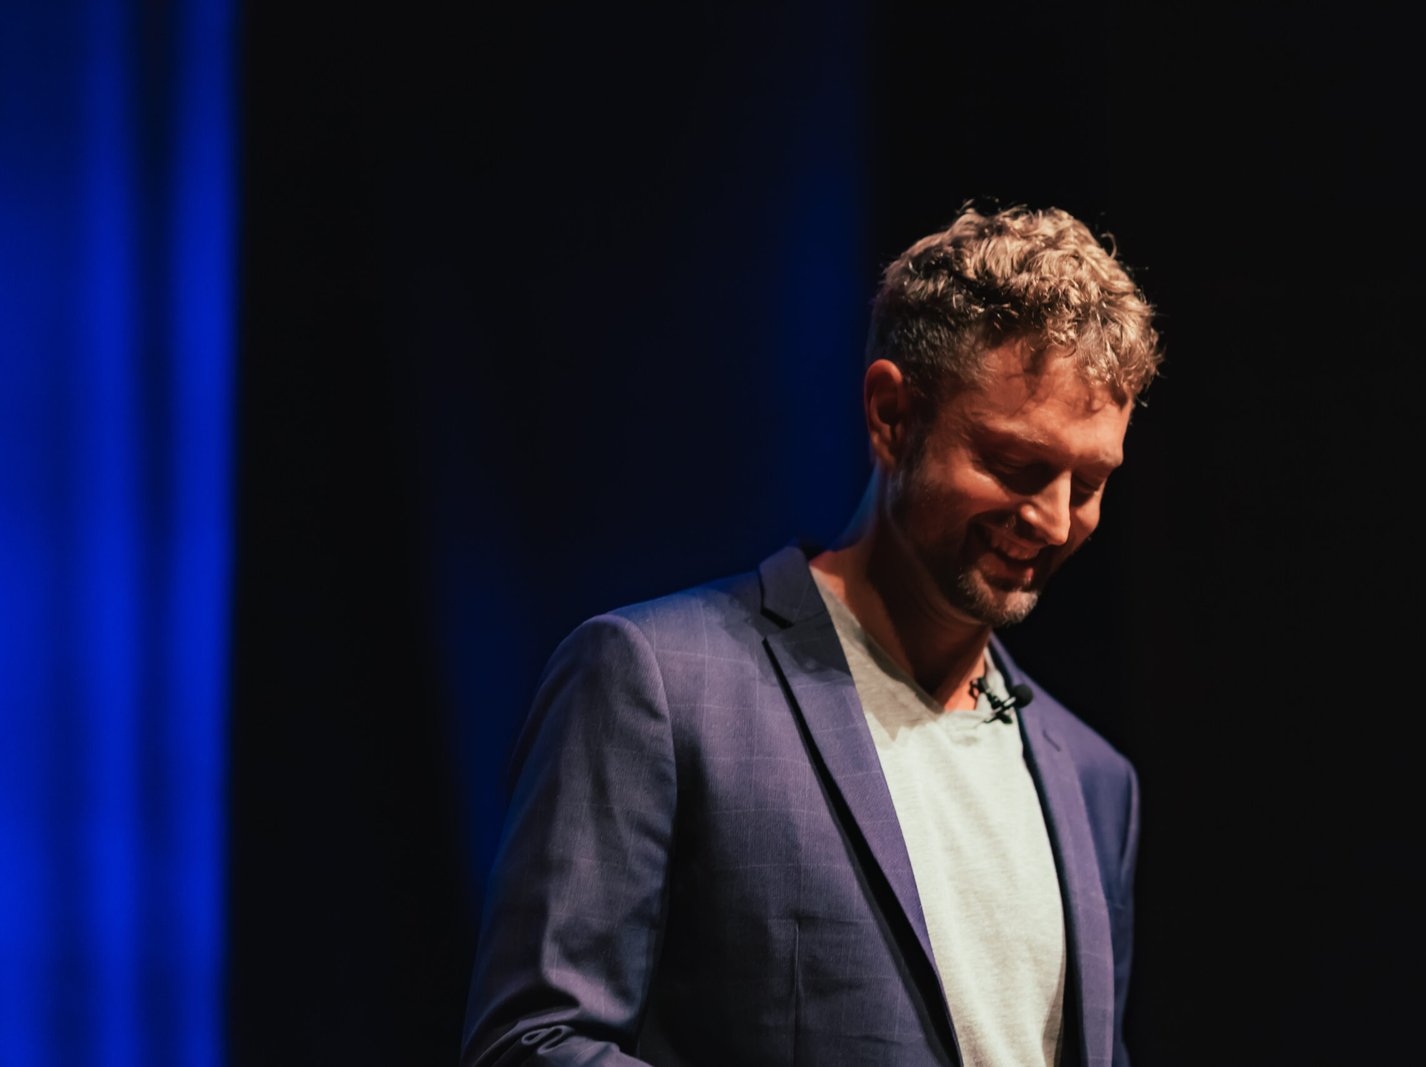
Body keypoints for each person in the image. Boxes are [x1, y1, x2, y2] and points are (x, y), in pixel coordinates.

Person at [461, 205, 1161, 1067]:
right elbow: (533, 1044)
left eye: (1088, 483)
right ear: (891, 415)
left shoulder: (1095, 781)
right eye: (1017, 465)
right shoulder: (656, 684)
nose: (1053, 519)